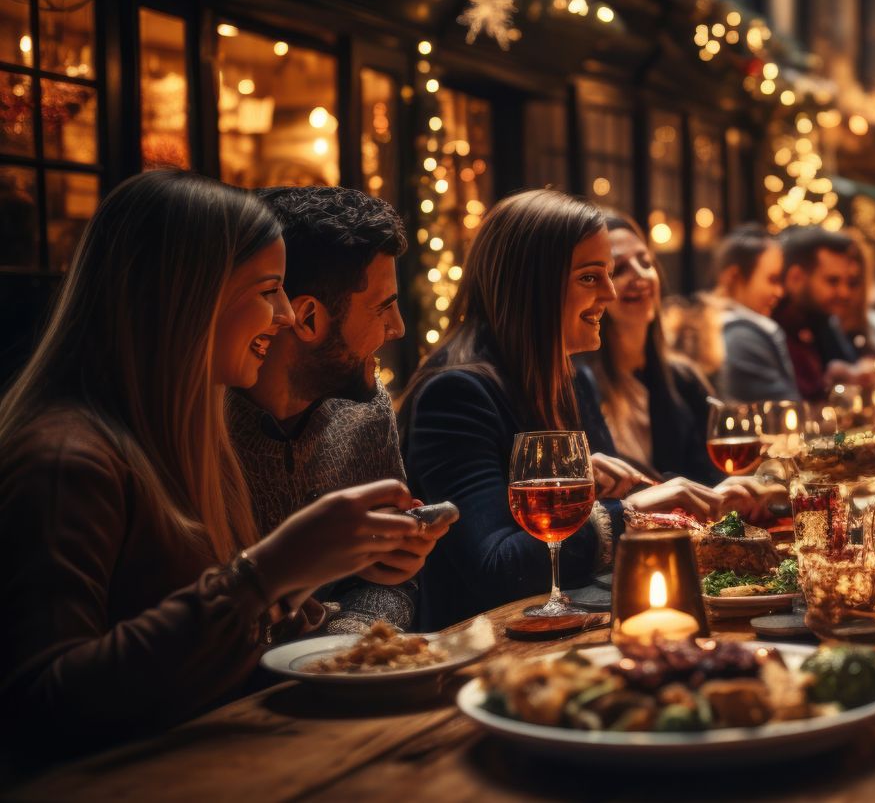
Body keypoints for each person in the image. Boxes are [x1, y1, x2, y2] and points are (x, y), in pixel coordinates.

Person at [0, 171, 431, 760]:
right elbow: (40, 708)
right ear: (188, 299)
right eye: (268, 290)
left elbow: (214, 642)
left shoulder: (187, 435)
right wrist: (270, 570)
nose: (284, 317)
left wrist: (307, 577)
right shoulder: (65, 457)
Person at [399, 189, 724, 630]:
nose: (610, 294)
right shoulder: (455, 394)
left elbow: (608, 505)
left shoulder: (570, 376)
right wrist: (632, 512)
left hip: (573, 624)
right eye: (591, 277)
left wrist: (704, 499)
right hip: (486, 651)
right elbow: (497, 567)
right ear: (532, 285)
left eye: (607, 275)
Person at [227, 185, 440, 633]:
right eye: (383, 307)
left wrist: (348, 641)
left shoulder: (365, 411)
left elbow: (390, 583)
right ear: (307, 318)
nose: (398, 328)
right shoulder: (200, 425)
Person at [579, 213, 782, 521]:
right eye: (617, 269)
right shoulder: (576, 384)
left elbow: (714, 480)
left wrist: (749, 491)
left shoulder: (682, 378)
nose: (640, 276)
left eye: (645, 263)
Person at [772, 227, 861, 401]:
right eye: (832, 281)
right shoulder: (772, 330)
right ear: (795, 278)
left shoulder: (822, 320)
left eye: (849, 282)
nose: (845, 293)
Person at [713, 226, 800, 402]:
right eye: (772, 280)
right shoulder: (742, 336)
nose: (779, 292)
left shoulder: (723, 326)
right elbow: (785, 412)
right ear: (734, 276)